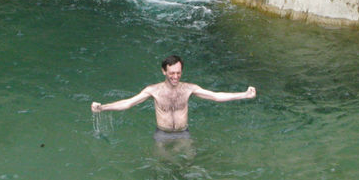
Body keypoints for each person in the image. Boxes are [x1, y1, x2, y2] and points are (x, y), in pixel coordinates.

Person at [91, 55, 256, 141]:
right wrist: (103, 107)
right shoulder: (153, 90)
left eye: (178, 73)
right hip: (162, 135)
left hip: (184, 134)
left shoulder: (189, 89)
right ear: (164, 71)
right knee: (162, 167)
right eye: (172, 73)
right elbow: (128, 103)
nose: (175, 76)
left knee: (187, 165)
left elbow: (216, 96)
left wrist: (244, 94)